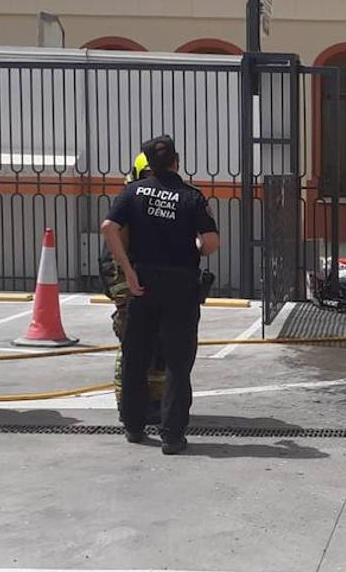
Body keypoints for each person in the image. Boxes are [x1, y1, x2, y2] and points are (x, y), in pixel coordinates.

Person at [101, 135, 220, 454]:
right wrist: (194, 245)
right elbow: (210, 242)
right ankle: (172, 435)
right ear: (176, 161)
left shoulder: (132, 192)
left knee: (136, 356)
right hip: (180, 287)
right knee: (178, 363)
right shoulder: (191, 197)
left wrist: (127, 270)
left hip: (143, 283)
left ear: (147, 164)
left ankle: (134, 426)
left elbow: (108, 229)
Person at [100, 151, 166, 424]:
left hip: (153, 288)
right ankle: (127, 403)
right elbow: (110, 257)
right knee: (132, 348)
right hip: (129, 288)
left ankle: (155, 401)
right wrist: (122, 295)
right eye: (147, 177)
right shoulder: (127, 207)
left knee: (158, 346)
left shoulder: (159, 205)